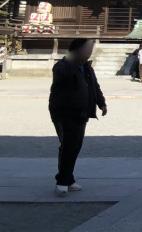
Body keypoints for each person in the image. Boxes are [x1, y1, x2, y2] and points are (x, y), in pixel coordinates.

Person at [48, 38, 107, 196]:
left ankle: (68, 178)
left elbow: (95, 86)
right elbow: (63, 78)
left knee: (75, 146)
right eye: (87, 49)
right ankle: (62, 181)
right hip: (63, 112)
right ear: (77, 50)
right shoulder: (62, 66)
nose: (89, 53)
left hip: (81, 112)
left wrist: (102, 103)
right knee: (68, 145)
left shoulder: (87, 68)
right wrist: (74, 61)